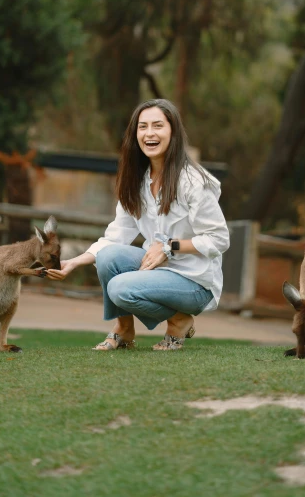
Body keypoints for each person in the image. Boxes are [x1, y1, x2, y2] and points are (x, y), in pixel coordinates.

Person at [47, 98, 230, 351]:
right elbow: (115, 237)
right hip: (158, 270)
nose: (149, 133)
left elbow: (220, 239)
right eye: (142, 127)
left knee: (119, 288)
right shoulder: (137, 181)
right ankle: (124, 329)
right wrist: (75, 262)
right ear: (135, 135)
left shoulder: (192, 181)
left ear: (173, 132)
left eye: (158, 126)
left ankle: (178, 321)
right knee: (108, 257)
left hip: (195, 281)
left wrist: (169, 247)